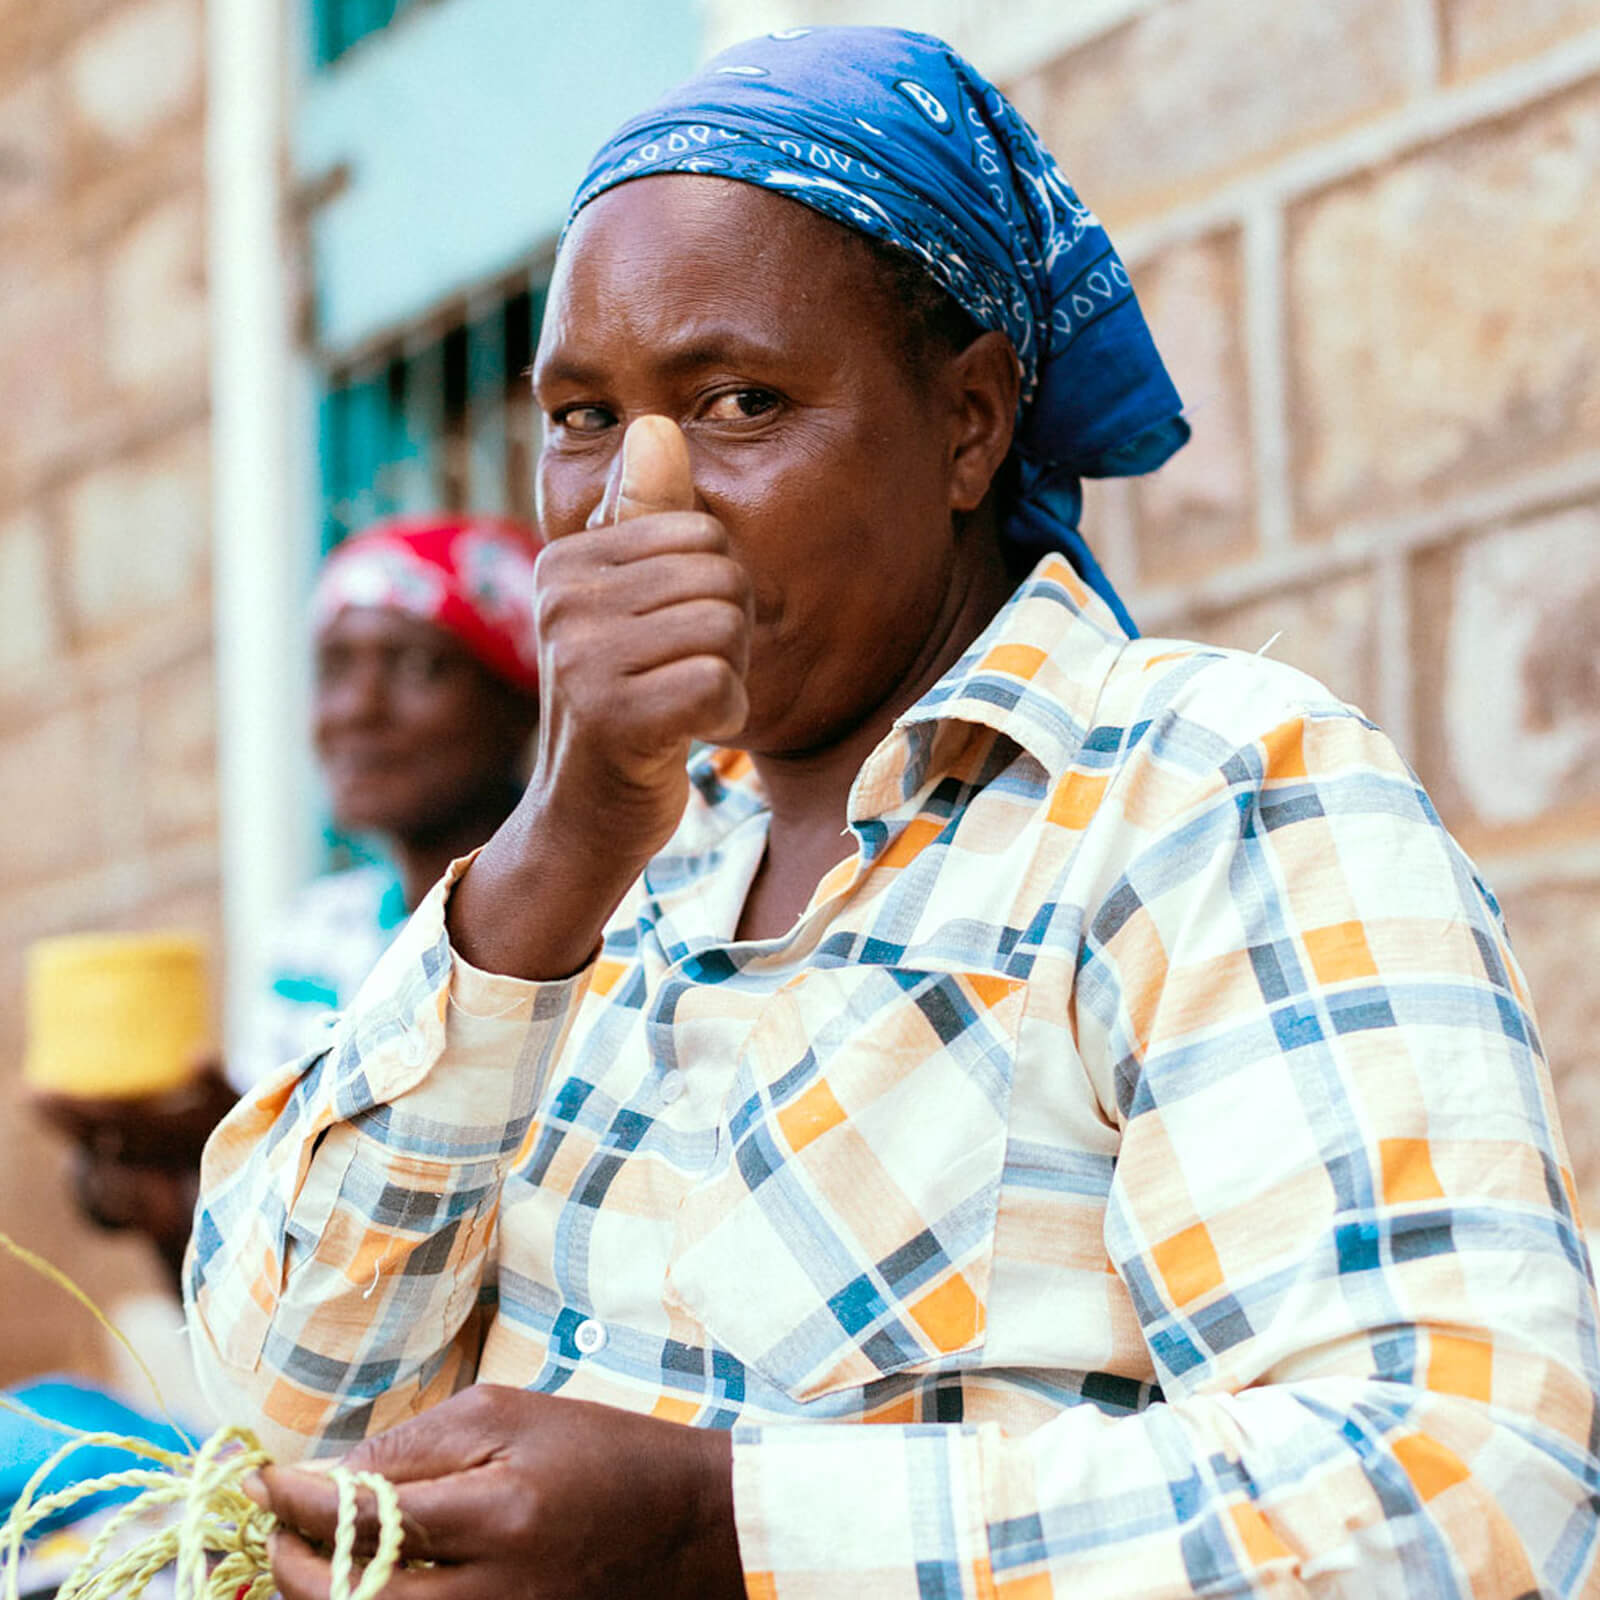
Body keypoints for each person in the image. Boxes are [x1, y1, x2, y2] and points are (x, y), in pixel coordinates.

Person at [189, 27, 1600, 1600]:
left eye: (737, 401)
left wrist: (717, 1528)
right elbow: (278, 1420)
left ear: (970, 424)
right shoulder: (598, 893)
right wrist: (562, 843)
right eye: (582, 416)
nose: (630, 500)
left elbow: (1463, 1496)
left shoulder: (1203, 792)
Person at [34, 514, 543, 1291]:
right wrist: (173, 1202)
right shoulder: (319, 935)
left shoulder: (583, 931)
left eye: (416, 665)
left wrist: (244, 1140)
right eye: (334, 668)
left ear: (521, 701)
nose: (355, 710)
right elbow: (269, 1324)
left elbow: (494, 1249)